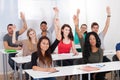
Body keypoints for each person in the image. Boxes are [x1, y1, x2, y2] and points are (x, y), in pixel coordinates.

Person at [53, 7, 78, 80]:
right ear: (63, 30)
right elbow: (56, 24)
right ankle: (68, 77)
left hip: (68, 57)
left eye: (69, 30)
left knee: (74, 63)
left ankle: (68, 77)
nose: (67, 31)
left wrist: (76, 52)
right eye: (66, 29)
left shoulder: (71, 39)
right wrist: (56, 14)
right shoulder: (59, 37)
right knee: (68, 64)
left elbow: (74, 49)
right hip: (60, 59)